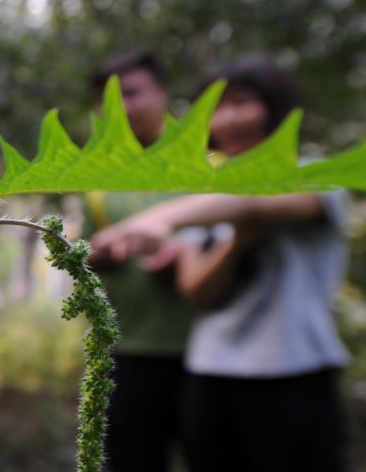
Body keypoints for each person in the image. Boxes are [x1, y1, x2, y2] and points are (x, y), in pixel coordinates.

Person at [92, 55, 350, 472]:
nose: (228, 119)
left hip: (294, 376)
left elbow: (257, 204)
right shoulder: (204, 200)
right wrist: (238, 242)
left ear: (277, 107)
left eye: (243, 102)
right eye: (215, 109)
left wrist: (159, 219)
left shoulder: (316, 175)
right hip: (210, 377)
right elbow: (197, 291)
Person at [85, 49, 191, 472]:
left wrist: (184, 256)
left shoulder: (211, 161)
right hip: (124, 351)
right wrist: (100, 255)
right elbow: (81, 250)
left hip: (209, 354)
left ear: (163, 93)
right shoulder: (96, 178)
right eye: (107, 101)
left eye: (131, 94)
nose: (121, 109)